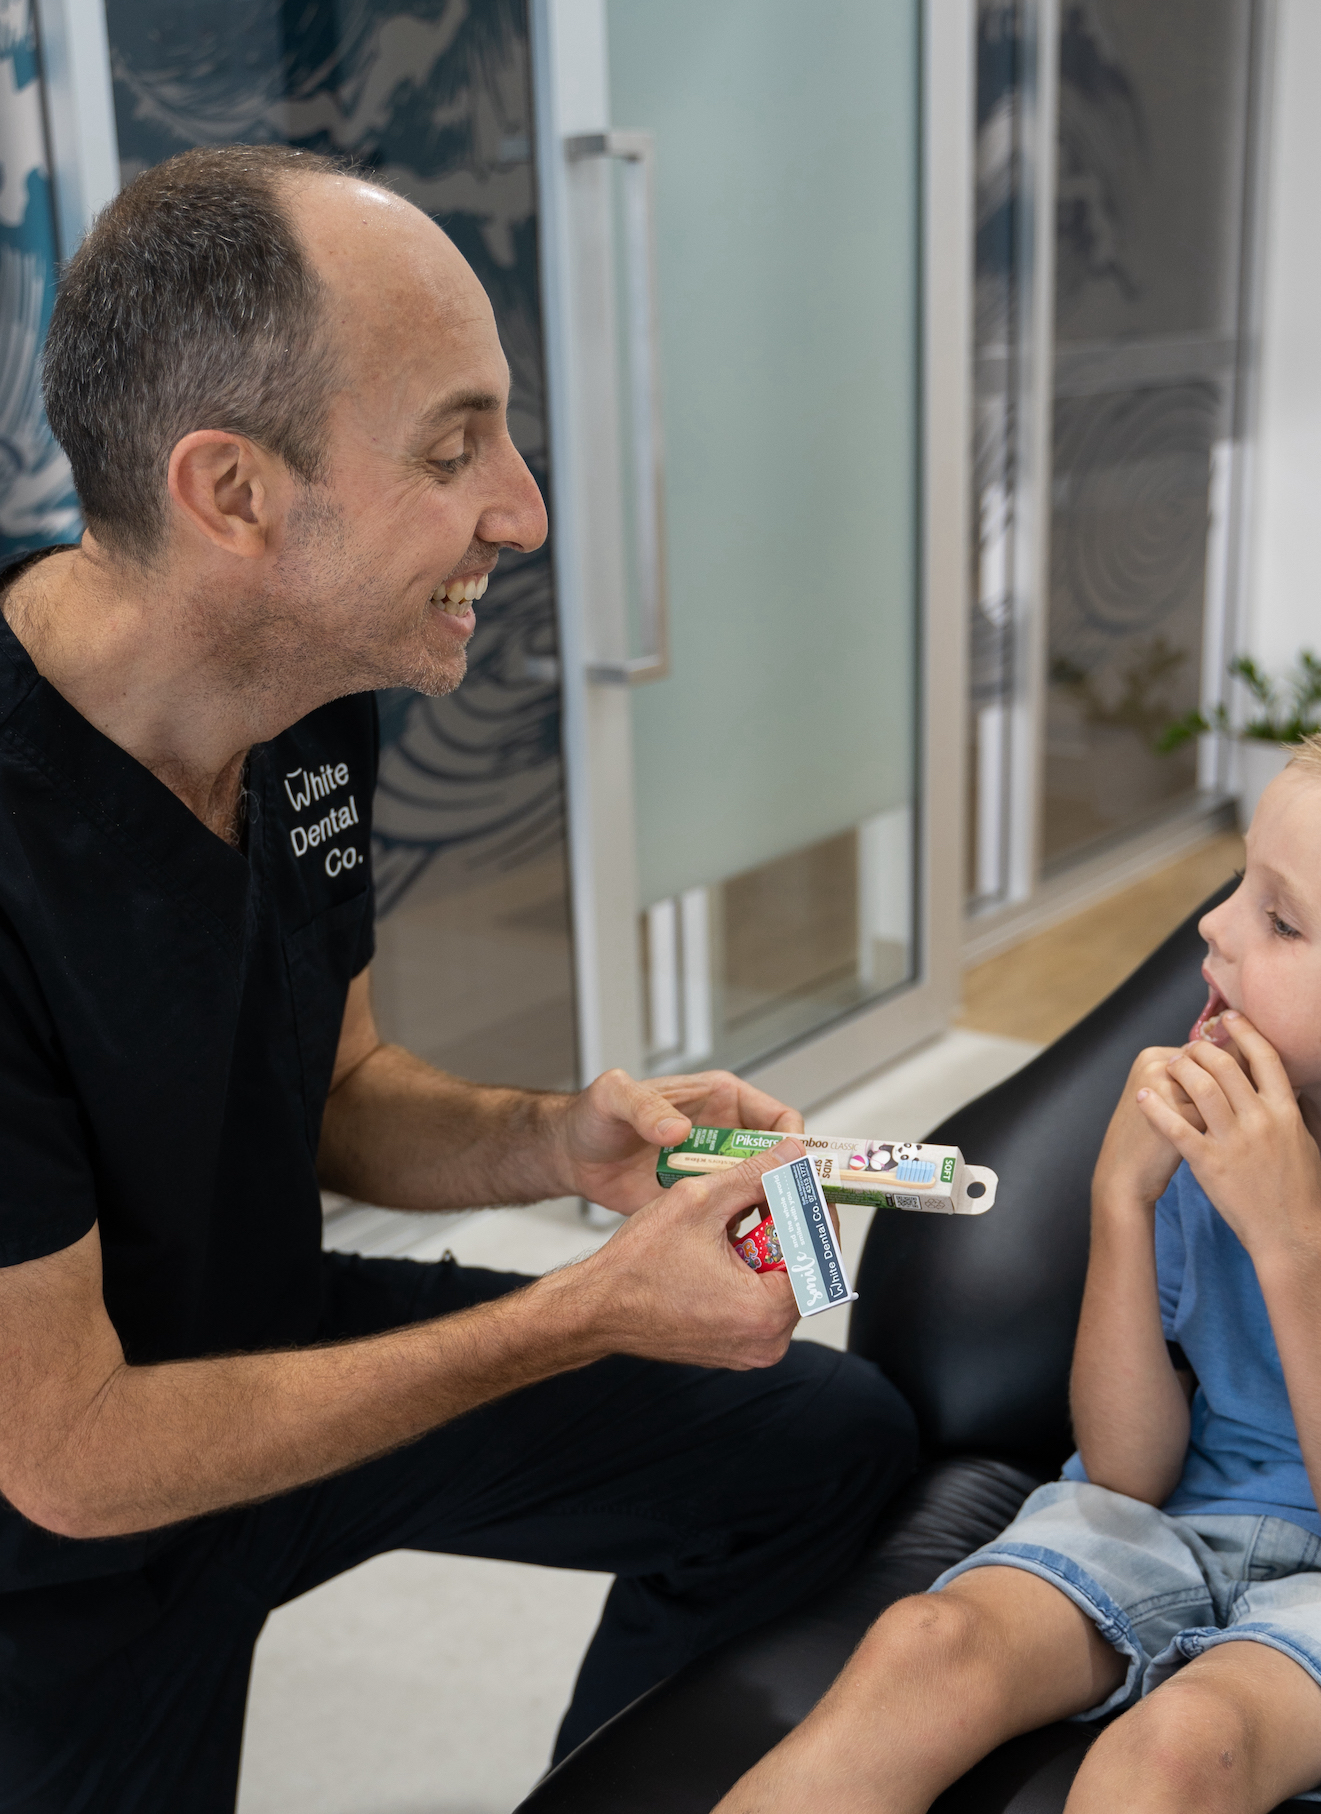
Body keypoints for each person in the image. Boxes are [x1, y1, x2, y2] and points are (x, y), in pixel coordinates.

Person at [0, 144, 917, 1814]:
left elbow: (335, 1088)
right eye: (454, 446)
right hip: (57, 1541)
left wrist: (548, 1145)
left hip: (264, 1349)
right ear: (234, 496)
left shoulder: (302, 682)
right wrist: (582, 1311)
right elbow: (67, 1455)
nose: (527, 507)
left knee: (818, 1446)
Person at [717, 717, 1321, 1813]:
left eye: (1277, 918)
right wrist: (1120, 1202)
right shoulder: (1219, 1108)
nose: (1212, 926)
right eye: (1239, 885)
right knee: (928, 1640)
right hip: (1170, 1514)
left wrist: (1291, 1243)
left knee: (1182, 1741)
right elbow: (1129, 1473)